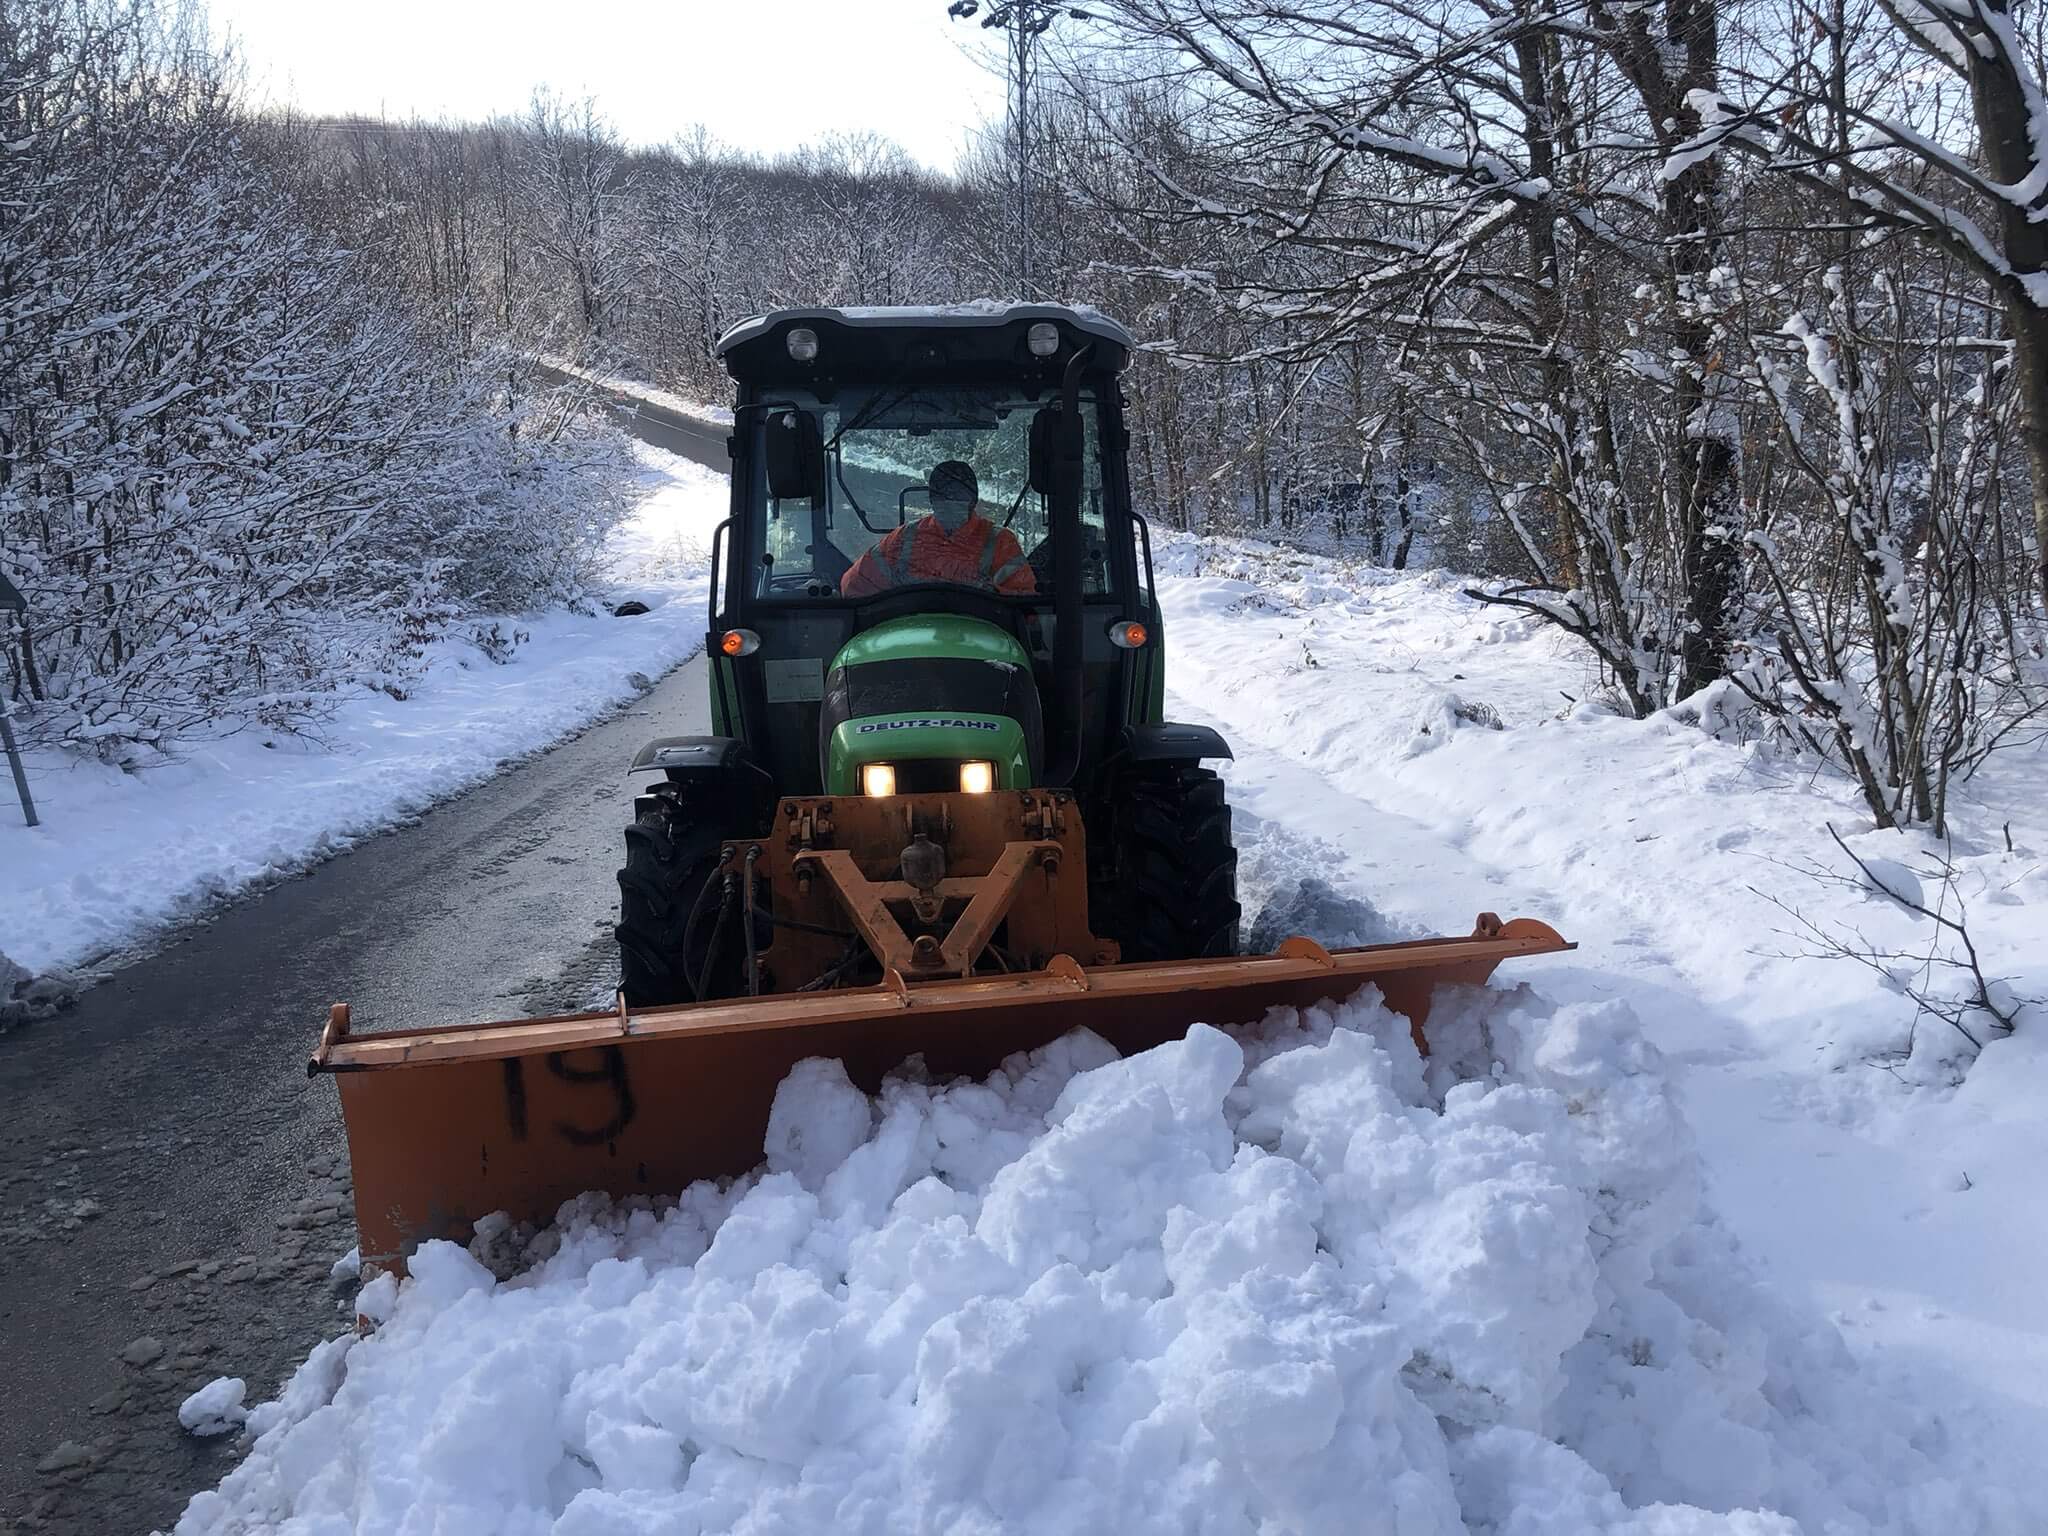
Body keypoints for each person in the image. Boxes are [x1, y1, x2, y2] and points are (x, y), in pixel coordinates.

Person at [840, 460, 1037, 597]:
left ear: (973, 501)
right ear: (932, 500)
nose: (950, 504)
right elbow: (854, 587)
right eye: (943, 497)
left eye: (958, 497)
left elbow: (1026, 602)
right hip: (907, 638)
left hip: (982, 642)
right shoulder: (903, 540)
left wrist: (994, 594)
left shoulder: (999, 542)